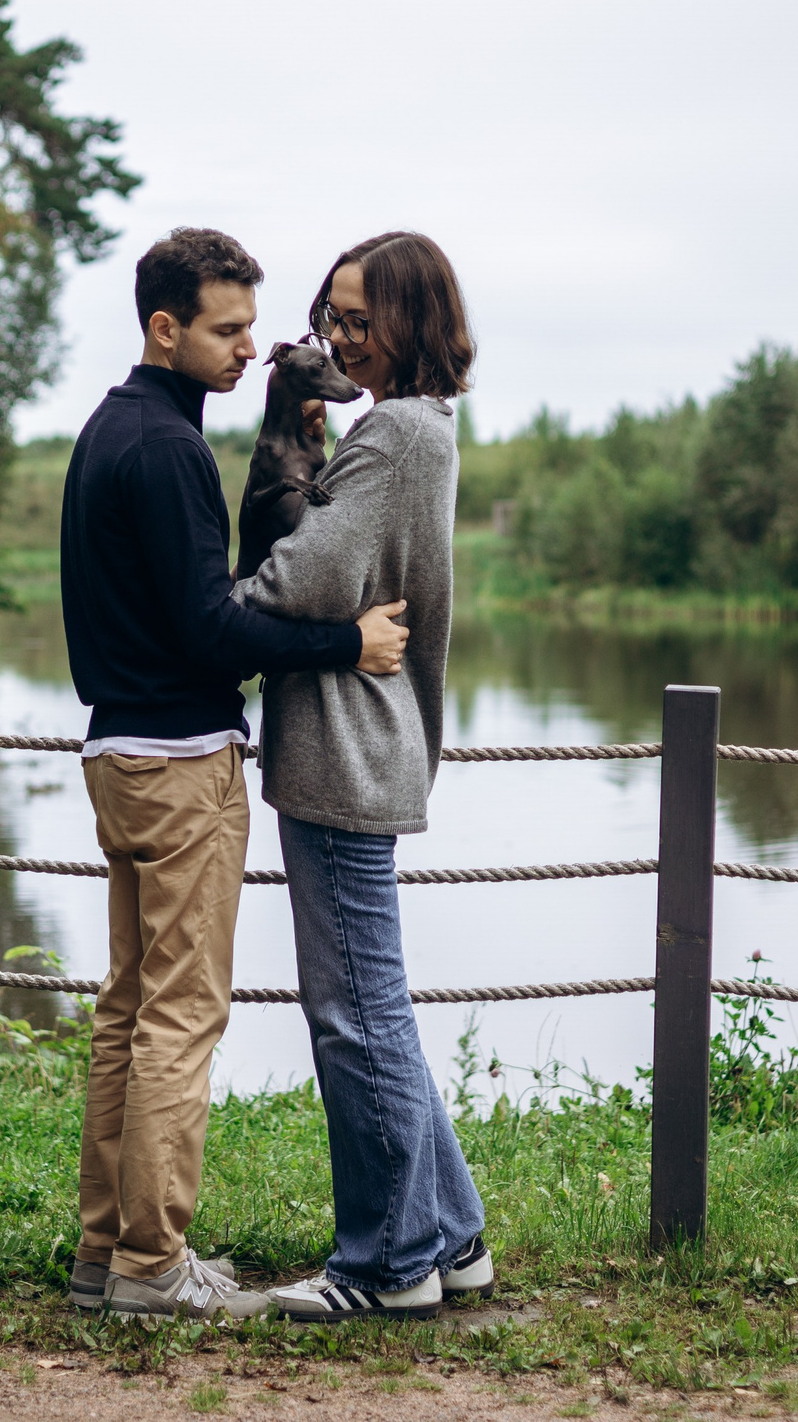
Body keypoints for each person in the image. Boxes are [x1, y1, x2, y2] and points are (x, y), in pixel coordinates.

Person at [59, 226, 414, 1321]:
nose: (250, 348)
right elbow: (211, 628)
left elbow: (179, 608)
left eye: (253, 326)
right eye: (227, 329)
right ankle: (154, 1266)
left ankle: (106, 1253)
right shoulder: (168, 451)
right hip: (179, 765)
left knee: (128, 1009)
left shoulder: (108, 430)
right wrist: (346, 643)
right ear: (165, 328)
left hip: (118, 752)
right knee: (180, 1016)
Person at [232, 231, 492, 1322]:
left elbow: (302, 579)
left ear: (409, 320)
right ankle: (452, 1237)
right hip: (367, 742)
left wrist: (224, 605)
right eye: (329, 317)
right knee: (376, 1006)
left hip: (344, 746)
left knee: (353, 1014)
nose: (337, 337)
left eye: (358, 319)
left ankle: (388, 1265)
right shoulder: (424, 425)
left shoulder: (388, 433)